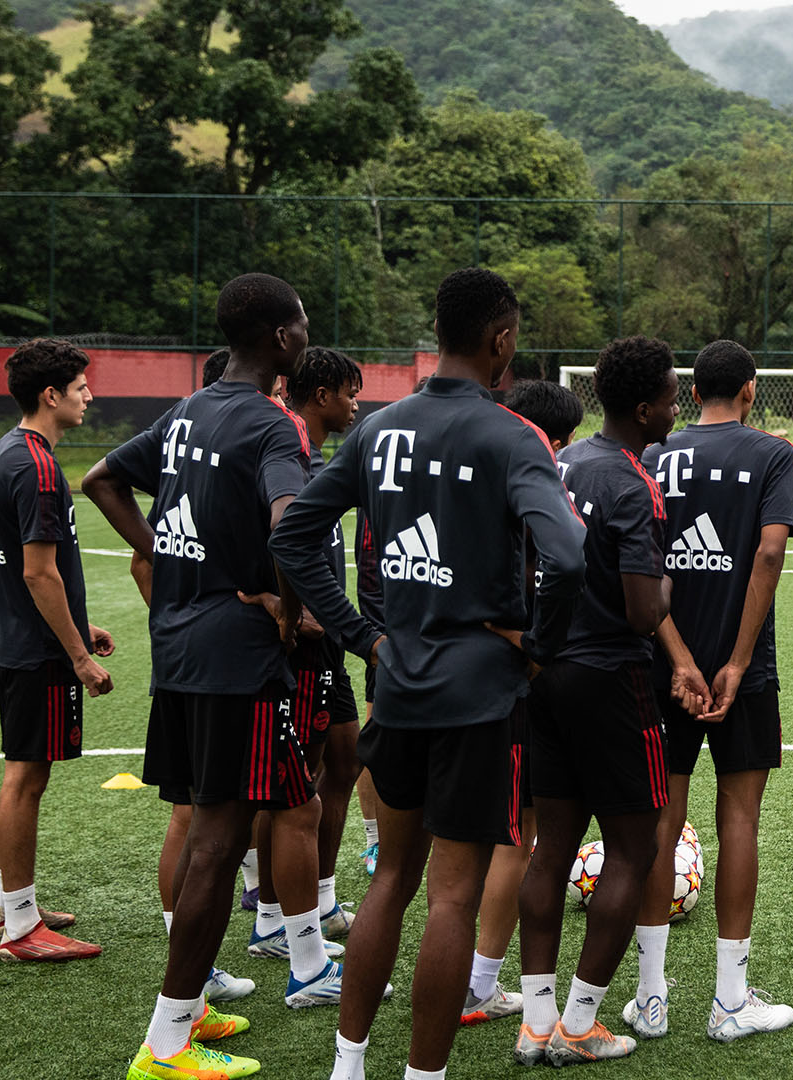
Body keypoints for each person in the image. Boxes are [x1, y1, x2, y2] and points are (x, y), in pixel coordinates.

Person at [270, 267, 590, 1080]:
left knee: (390, 884)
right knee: (453, 896)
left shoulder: (380, 428)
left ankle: (347, 1066)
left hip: (399, 683)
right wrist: (538, 644)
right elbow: (570, 554)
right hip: (480, 697)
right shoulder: (514, 435)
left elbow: (295, 533)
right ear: (502, 340)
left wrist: (362, 636)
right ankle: (424, 1075)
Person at [86, 273, 316, 1079]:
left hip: (179, 647)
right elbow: (292, 528)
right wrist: (289, 613)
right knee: (220, 843)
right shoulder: (272, 425)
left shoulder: (188, 410)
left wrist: (162, 553)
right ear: (284, 339)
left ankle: (188, 1007)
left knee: (207, 831)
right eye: (303, 325)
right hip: (235, 658)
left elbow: (102, 480)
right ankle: (165, 1045)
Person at [631, 340, 793, 1042]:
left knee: (660, 823)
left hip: (661, 666)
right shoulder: (773, 453)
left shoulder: (651, 455)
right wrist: (733, 661)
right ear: (752, 390)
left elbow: (636, 561)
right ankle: (730, 1002)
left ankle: (649, 999)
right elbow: (768, 551)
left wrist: (678, 657)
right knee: (739, 823)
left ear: (692, 391)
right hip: (743, 674)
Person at [514, 337, 677, 1066]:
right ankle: (580, 1024)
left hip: (544, 674)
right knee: (634, 850)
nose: (676, 407)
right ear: (645, 409)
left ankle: (536, 1021)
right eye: (672, 397)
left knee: (551, 848)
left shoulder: (558, 462)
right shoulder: (632, 483)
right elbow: (646, 612)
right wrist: (671, 586)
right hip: (613, 679)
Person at [456, 378, 583, 1028]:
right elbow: (562, 566)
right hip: (522, 682)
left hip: (459, 681)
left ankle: (472, 978)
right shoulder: (535, 485)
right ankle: (479, 981)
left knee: (476, 842)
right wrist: (534, 644)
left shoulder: (473, 479)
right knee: (519, 838)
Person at [0, 338, 114, 962]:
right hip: (35, 649)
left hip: (26, 638)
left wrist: (79, 626)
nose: (91, 395)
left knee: (26, 774)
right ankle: (19, 931)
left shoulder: (10, 449)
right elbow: (38, 573)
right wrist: (79, 657)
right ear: (51, 394)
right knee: (26, 777)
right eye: (82, 386)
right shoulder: (35, 466)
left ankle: (12, 903)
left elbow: (23, 569)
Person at [248, 348, 365, 959]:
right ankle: (273, 917)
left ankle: (317, 898)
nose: (356, 403)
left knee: (344, 763)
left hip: (331, 648)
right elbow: (275, 538)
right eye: (349, 392)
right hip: (302, 648)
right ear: (320, 396)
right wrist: (288, 607)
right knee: (289, 788)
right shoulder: (290, 460)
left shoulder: (320, 464)